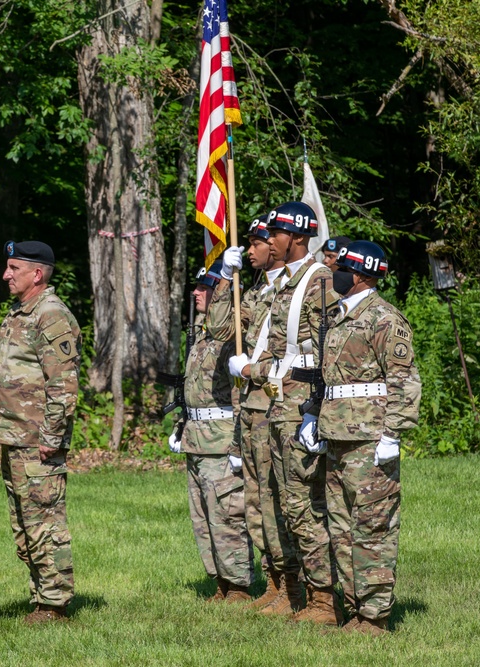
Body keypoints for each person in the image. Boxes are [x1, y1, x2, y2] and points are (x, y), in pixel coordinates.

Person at [229, 201, 339, 625]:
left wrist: (255, 371)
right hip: (278, 405)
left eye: (275, 233)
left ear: (295, 237)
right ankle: (297, 589)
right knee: (284, 502)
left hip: (300, 406)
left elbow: (321, 354)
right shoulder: (285, 285)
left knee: (303, 502)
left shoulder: (319, 281)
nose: (268, 240)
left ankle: (324, 600)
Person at [318, 240, 421, 635]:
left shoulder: (383, 318)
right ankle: (354, 609)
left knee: (373, 524)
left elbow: (404, 382)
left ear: (359, 274)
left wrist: (392, 434)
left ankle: (375, 615)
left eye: (341, 267)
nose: (334, 273)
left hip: (369, 437)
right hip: (337, 434)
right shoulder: (339, 316)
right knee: (342, 526)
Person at [205, 216, 298, 613]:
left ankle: (294, 582)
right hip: (252, 407)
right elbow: (218, 327)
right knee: (257, 499)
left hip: (280, 402)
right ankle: (275, 578)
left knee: (280, 497)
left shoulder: (298, 289)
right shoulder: (256, 292)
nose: (252, 249)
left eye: (257, 242)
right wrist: (225, 279)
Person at [0, 240, 80, 623]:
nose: (5, 275)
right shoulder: (20, 313)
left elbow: (63, 384)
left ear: (37, 273)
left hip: (36, 442)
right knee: (25, 524)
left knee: (45, 521)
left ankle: (55, 603)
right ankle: (41, 595)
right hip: (14, 438)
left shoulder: (51, 315)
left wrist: (51, 436)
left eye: (13, 268)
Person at [175, 261, 253, 601]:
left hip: (222, 439)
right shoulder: (202, 335)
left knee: (227, 513)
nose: (196, 292)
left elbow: (237, 393)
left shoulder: (230, 335)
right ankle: (220, 580)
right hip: (198, 437)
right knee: (203, 516)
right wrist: (183, 425)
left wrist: (238, 444)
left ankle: (239, 584)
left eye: (204, 287)